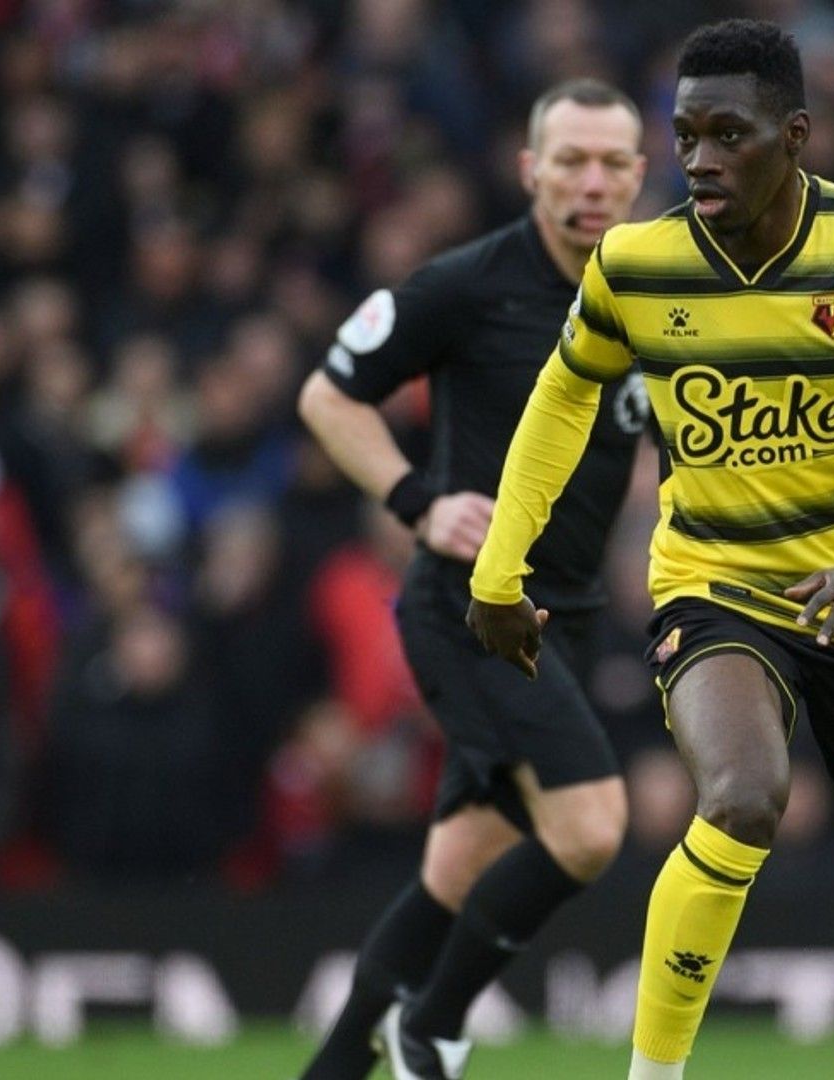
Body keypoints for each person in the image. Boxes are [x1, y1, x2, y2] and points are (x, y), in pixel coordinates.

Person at [468, 21, 834, 1080]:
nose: (698, 159)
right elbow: (561, 403)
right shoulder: (637, 265)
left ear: (796, 137)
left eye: (727, 134)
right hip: (718, 587)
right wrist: (498, 569)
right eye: (685, 134)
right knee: (741, 793)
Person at [294, 79, 649, 1080]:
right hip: (474, 609)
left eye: (611, 162)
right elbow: (329, 396)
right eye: (569, 160)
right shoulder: (466, 283)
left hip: (570, 618)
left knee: (457, 866)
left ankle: (332, 1067)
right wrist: (417, 500)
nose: (591, 181)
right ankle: (434, 1027)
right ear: (530, 169)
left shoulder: (655, 290)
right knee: (589, 828)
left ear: (639, 174)